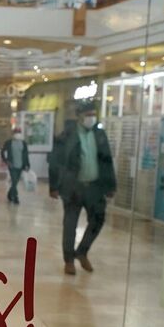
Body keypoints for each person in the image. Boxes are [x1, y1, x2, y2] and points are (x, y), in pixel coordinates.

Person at [49, 101, 116, 276]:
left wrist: (110, 185)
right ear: (79, 116)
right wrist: (54, 186)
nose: (90, 118)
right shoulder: (68, 134)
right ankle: (69, 260)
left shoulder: (100, 134)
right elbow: (55, 161)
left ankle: (82, 252)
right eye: (87, 115)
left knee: (98, 219)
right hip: (73, 187)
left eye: (93, 114)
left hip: (94, 187)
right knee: (70, 224)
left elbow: (107, 161)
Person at [1, 127, 29, 204]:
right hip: (12, 165)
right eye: (16, 132)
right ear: (13, 134)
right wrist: (6, 161)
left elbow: (26, 155)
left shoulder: (24, 143)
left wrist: (27, 165)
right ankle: (15, 197)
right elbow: (3, 152)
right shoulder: (9, 143)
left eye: (19, 132)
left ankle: (10, 194)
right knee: (14, 181)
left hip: (21, 166)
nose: (17, 134)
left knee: (15, 182)